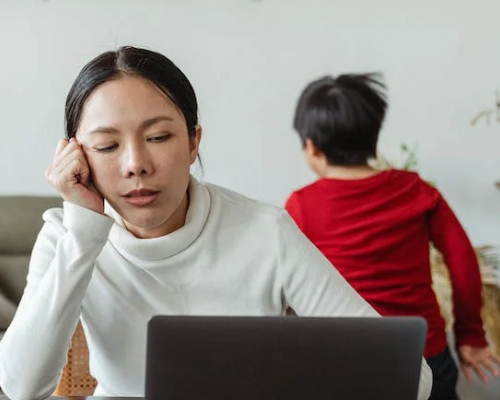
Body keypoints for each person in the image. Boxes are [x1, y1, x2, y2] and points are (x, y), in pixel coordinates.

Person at [0, 47, 431, 400]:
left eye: (159, 138)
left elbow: (410, 378)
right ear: (77, 157)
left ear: (193, 143)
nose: (135, 165)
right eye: (107, 145)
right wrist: (83, 232)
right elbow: (21, 388)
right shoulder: (66, 235)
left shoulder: (265, 231)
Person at [285, 73, 500, 399]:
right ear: (374, 136)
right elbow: (462, 259)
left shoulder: (301, 205)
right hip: (424, 355)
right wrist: (471, 335)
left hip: (346, 359)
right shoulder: (417, 190)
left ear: (312, 148)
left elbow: (286, 283)